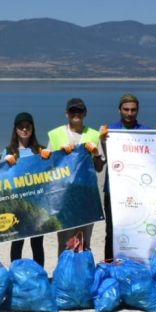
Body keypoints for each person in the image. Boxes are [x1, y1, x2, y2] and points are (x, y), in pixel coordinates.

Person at [98, 94, 156, 260]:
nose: (129, 113)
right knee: (112, 231)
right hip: (114, 191)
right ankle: (109, 267)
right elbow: (100, 159)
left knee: (137, 229)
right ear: (119, 110)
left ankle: (138, 265)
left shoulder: (147, 132)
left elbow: (154, 159)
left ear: (138, 111)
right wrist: (102, 140)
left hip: (140, 191)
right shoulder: (109, 131)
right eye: (126, 109)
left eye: (133, 110)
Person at [46, 98, 104, 254]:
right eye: (73, 111)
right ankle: (64, 275)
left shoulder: (94, 135)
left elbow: (99, 168)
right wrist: (60, 156)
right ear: (66, 113)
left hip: (86, 196)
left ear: (85, 113)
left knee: (84, 241)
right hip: (63, 197)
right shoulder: (56, 134)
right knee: (64, 242)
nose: (76, 114)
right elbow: (47, 166)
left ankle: (82, 275)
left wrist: (97, 154)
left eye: (80, 111)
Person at [3, 112, 50, 266]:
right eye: (21, 127)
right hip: (16, 204)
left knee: (37, 243)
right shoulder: (8, 151)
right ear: (15, 129)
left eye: (27, 126)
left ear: (32, 129)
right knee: (17, 242)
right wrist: (4, 163)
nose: (24, 130)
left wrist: (50, 158)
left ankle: (39, 275)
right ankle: (16, 274)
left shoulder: (40, 150)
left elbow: (51, 173)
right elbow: (1, 176)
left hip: (37, 204)